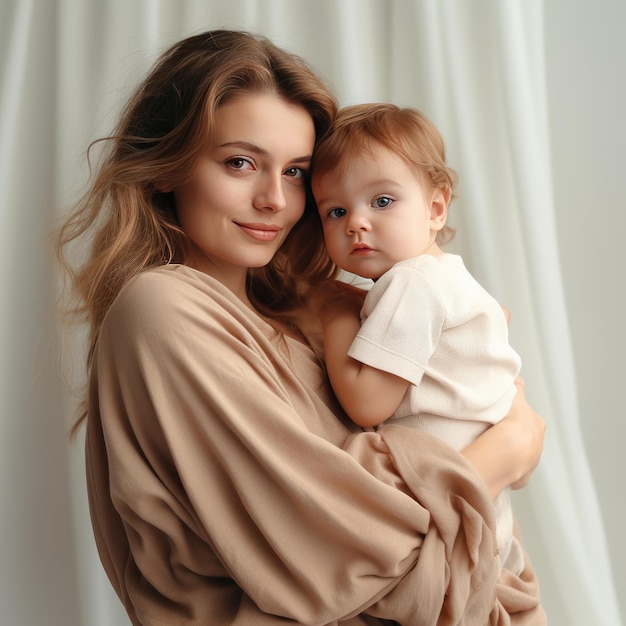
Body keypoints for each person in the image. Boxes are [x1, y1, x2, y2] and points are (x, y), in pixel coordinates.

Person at [56, 29, 546, 625]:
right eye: (241, 163)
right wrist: (505, 451)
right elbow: (342, 543)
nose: (275, 200)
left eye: (295, 173)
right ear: (167, 166)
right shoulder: (161, 310)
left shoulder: (310, 316)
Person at [311, 103, 532, 577]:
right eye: (335, 211)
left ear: (435, 208)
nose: (356, 222)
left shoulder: (412, 284)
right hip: (481, 509)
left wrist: (334, 313)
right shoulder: (447, 278)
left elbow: (367, 403)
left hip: (448, 515)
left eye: (383, 201)